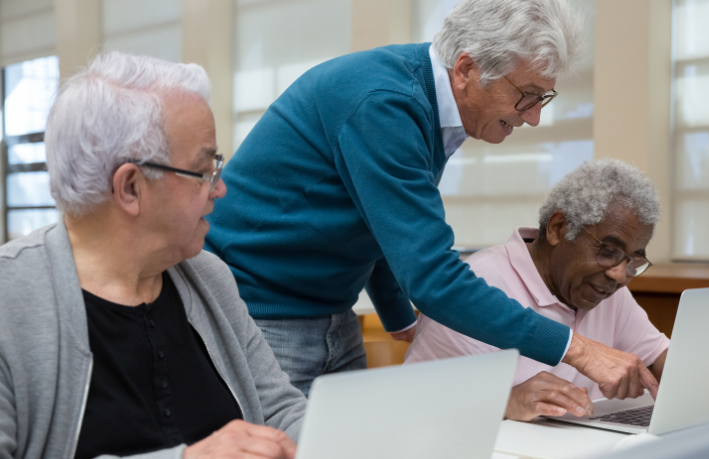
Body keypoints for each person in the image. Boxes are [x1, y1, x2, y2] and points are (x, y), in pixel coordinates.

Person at [205, 0, 658, 399]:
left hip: (327, 310)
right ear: (466, 70)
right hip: (263, 309)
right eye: (526, 96)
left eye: (544, 98)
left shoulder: (426, 105)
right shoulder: (384, 104)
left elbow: (376, 221)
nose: (535, 118)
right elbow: (432, 276)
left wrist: (399, 316)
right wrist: (577, 349)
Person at [0, 52, 306, 459]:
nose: (220, 189)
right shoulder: (10, 304)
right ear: (130, 187)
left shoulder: (209, 278)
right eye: (205, 171)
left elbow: (280, 412)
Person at [404, 159, 670, 421]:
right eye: (608, 251)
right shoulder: (476, 285)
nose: (620, 274)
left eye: (632, 260)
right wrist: (506, 402)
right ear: (558, 228)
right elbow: (415, 403)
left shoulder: (606, 290)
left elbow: (662, 359)